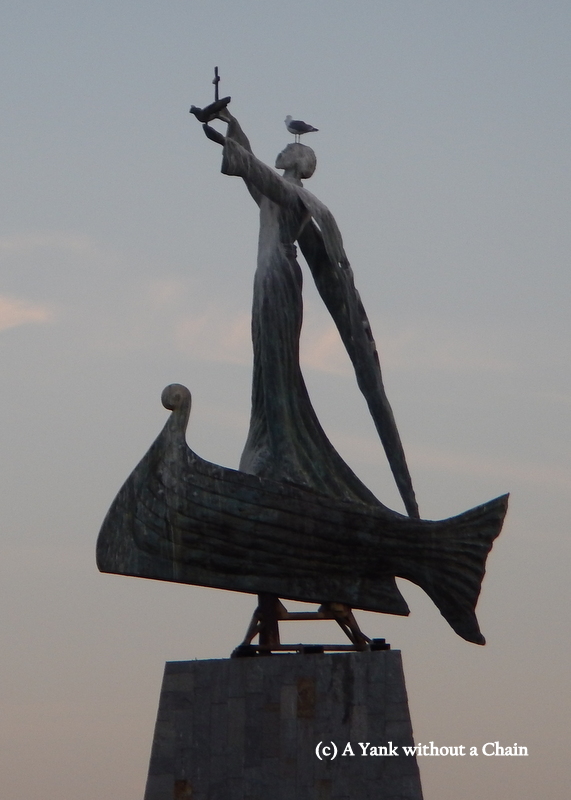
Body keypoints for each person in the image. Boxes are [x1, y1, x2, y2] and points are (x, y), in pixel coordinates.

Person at [198, 106, 419, 518]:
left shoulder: (296, 196)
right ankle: (265, 442)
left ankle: (284, 452)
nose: (282, 149)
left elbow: (255, 170)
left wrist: (228, 144)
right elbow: (252, 173)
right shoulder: (272, 191)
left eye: (287, 150)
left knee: (278, 364)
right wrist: (230, 124)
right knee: (264, 363)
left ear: (298, 164)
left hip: (280, 280)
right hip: (264, 281)